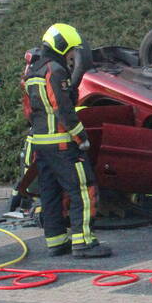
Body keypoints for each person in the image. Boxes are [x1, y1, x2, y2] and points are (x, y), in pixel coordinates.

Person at [24, 23, 111, 258]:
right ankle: (84, 242)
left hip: (41, 144)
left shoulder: (32, 71)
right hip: (62, 144)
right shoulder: (55, 70)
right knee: (83, 188)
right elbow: (62, 108)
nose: (72, 56)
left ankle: (56, 241)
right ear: (62, 47)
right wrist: (80, 136)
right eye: (71, 51)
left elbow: (29, 112)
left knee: (50, 192)